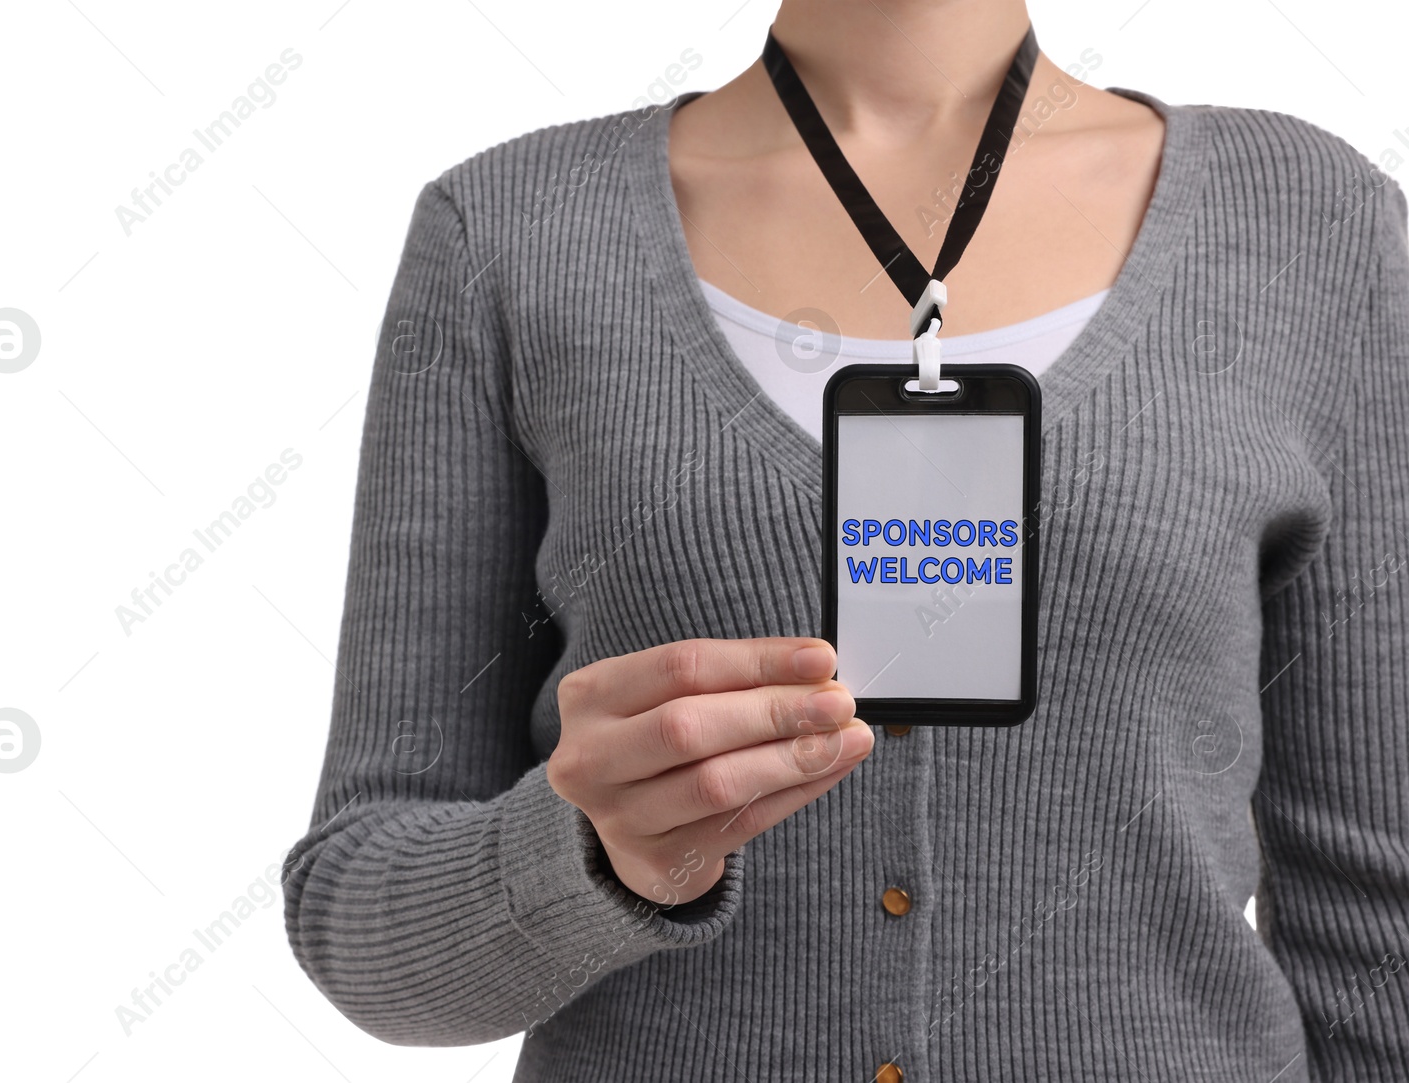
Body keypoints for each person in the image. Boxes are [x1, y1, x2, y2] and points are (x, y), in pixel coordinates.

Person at [282, 1, 1409, 1078]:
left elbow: (1379, 916)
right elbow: (359, 922)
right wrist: (588, 850)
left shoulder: (1311, 228)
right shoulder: (511, 234)